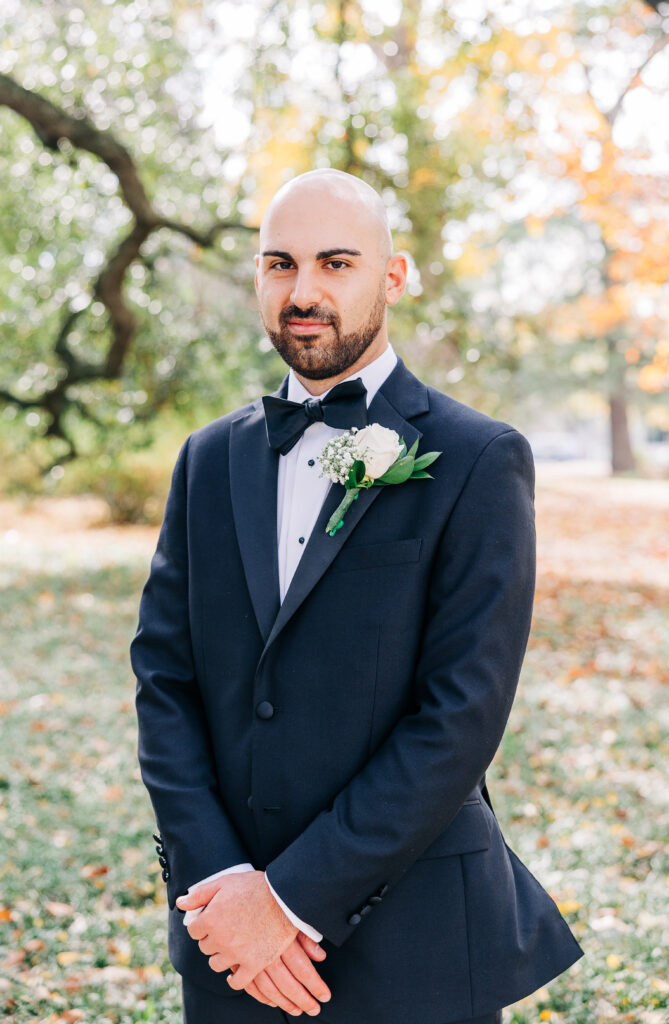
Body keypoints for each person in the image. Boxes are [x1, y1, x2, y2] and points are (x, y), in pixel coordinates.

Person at [131, 169, 583, 1024]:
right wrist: (223, 884)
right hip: (229, 942)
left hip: (413, 947)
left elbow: (459, 717)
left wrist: (288, 902)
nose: (303, 291)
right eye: (279, 265)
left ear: (394, 274)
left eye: (336, 262)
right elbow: (165, 678)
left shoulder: (479, 459)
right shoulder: (205, 461)